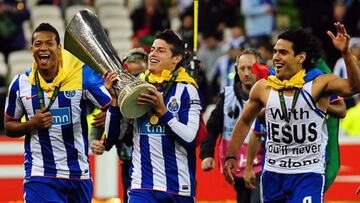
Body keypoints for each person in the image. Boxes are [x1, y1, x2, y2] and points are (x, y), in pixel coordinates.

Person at [224, 22, 360, 202]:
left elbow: (354, 86)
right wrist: (231, 155)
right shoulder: (263, 87)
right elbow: (245, 121)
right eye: (275, 51)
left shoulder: (319, 83)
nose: (276, 57)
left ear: (300, 57)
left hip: (308, 173)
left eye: (283, 52)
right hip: (274, 174)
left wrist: (345, 53)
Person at [4, 23, 111, 202]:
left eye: (49, 43)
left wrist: (109, 116)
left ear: (59, 48)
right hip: (40, 175)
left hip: (78, 175)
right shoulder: (20, 83)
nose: (43, 48)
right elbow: (8, 127)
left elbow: (112, 107)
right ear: (31, 49)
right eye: (38, 44)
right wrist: (32, 124)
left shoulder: (80, 77)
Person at [104, 30, 202, 203]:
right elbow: (111, 139)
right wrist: (114, 101)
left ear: (176, 58)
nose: (152, 54)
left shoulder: (187, 89)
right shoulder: (136, 86)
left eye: (160, 50)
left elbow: (190, 138)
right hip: (142, 187)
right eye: (152, 49)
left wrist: (163, 112)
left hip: (179, 188)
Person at [200, 49, 264, 203]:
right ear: (237, 70)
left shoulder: (271, 94)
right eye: (242, 68)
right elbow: (212, 127)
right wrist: (207, 154)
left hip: (263, 165)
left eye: (251, 67)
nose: (247, 73)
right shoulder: (227, 96)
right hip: (236, 166)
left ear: (261, 68)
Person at [89, 47, 148, 203]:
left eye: (138, 76)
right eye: (131, 75)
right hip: (128, 161)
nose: (134, 80)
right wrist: (94, 141)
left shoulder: (152, 93)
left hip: (148, 162)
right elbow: (97, 121)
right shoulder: (111, 93)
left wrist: (114, 113)